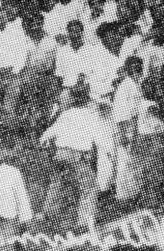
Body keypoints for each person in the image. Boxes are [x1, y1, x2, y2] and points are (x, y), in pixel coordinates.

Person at [39, 79, 111, 230]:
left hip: (60, 154)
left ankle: (47, 214)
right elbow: (100, 139)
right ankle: (84, 223)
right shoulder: (91, 116)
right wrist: (109, 151)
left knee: (57, 183)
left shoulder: (66, 114)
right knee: (89, 188)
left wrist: (44, 142)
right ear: (87, 100)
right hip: (78, 156)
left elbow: (48, 134)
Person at [113, 56, 145, 203]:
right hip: (126, 127)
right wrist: (123, 133)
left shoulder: (136, 84)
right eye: (134, 66)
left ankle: (133, 194)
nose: (137, 68)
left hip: (136, 126)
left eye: (139, 66)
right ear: (128, 69)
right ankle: (123, 197)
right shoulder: (125, 86)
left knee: (134, 162)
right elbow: (120, 113)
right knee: (124, 163)